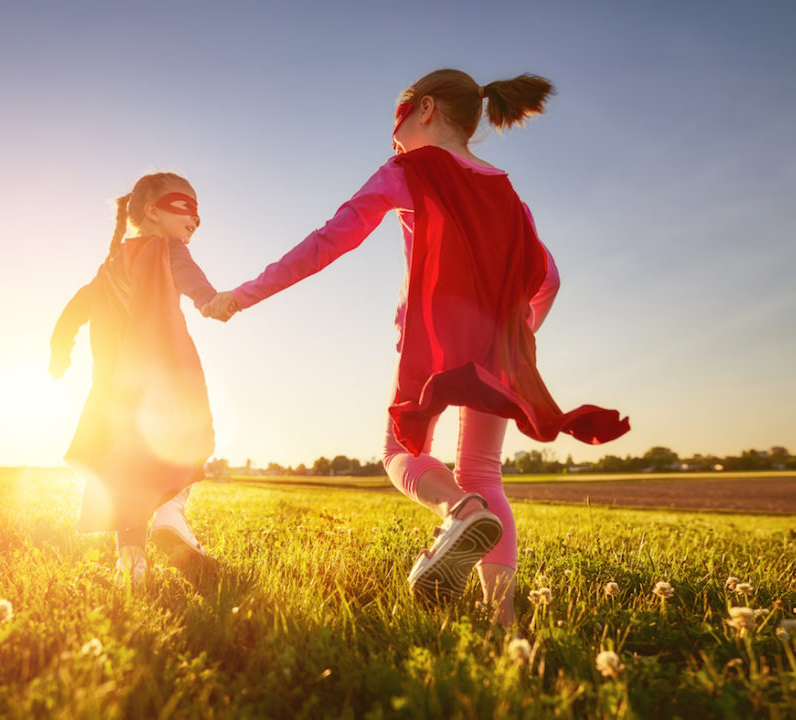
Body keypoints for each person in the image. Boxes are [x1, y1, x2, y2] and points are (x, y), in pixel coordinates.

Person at [205, 69, 629, 624]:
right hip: (501, 348)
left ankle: (460, 510)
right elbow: (547, 278)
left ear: (424, 108)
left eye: (397, 122)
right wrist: (514, 342)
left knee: (399, 452)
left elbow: (328, 241)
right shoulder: (508, 193)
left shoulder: (408, 169)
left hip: (433, 343)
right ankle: (502, 621)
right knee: (483, 469)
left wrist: (243, 294)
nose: (394, 137)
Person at [50, 172, 219, 583]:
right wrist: (210, 299)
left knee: (124, 478)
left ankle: (131, 565)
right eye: (186, 206)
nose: (196, 217)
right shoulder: (169, 249)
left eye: (199, 211)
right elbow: (191, 278)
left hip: (115, 395)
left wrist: (60, 350)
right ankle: (169, 514)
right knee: (193, 447)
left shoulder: (110, 265)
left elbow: (76, 307)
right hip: (169, 382)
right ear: (152, 211)